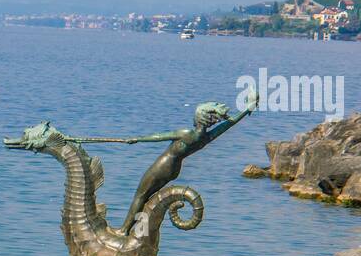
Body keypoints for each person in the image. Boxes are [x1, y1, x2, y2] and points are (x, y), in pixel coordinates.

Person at [61, 93, 256, 234]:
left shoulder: (189, 133)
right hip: (174, 169)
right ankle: (139, 230)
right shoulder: (205, 137)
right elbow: (227, 124)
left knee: (140, 195)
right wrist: (245, 110)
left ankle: (123, 230)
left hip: (163, 165)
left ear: (199, 117)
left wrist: (136, 139)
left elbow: (160, 136)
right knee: (147, 198)